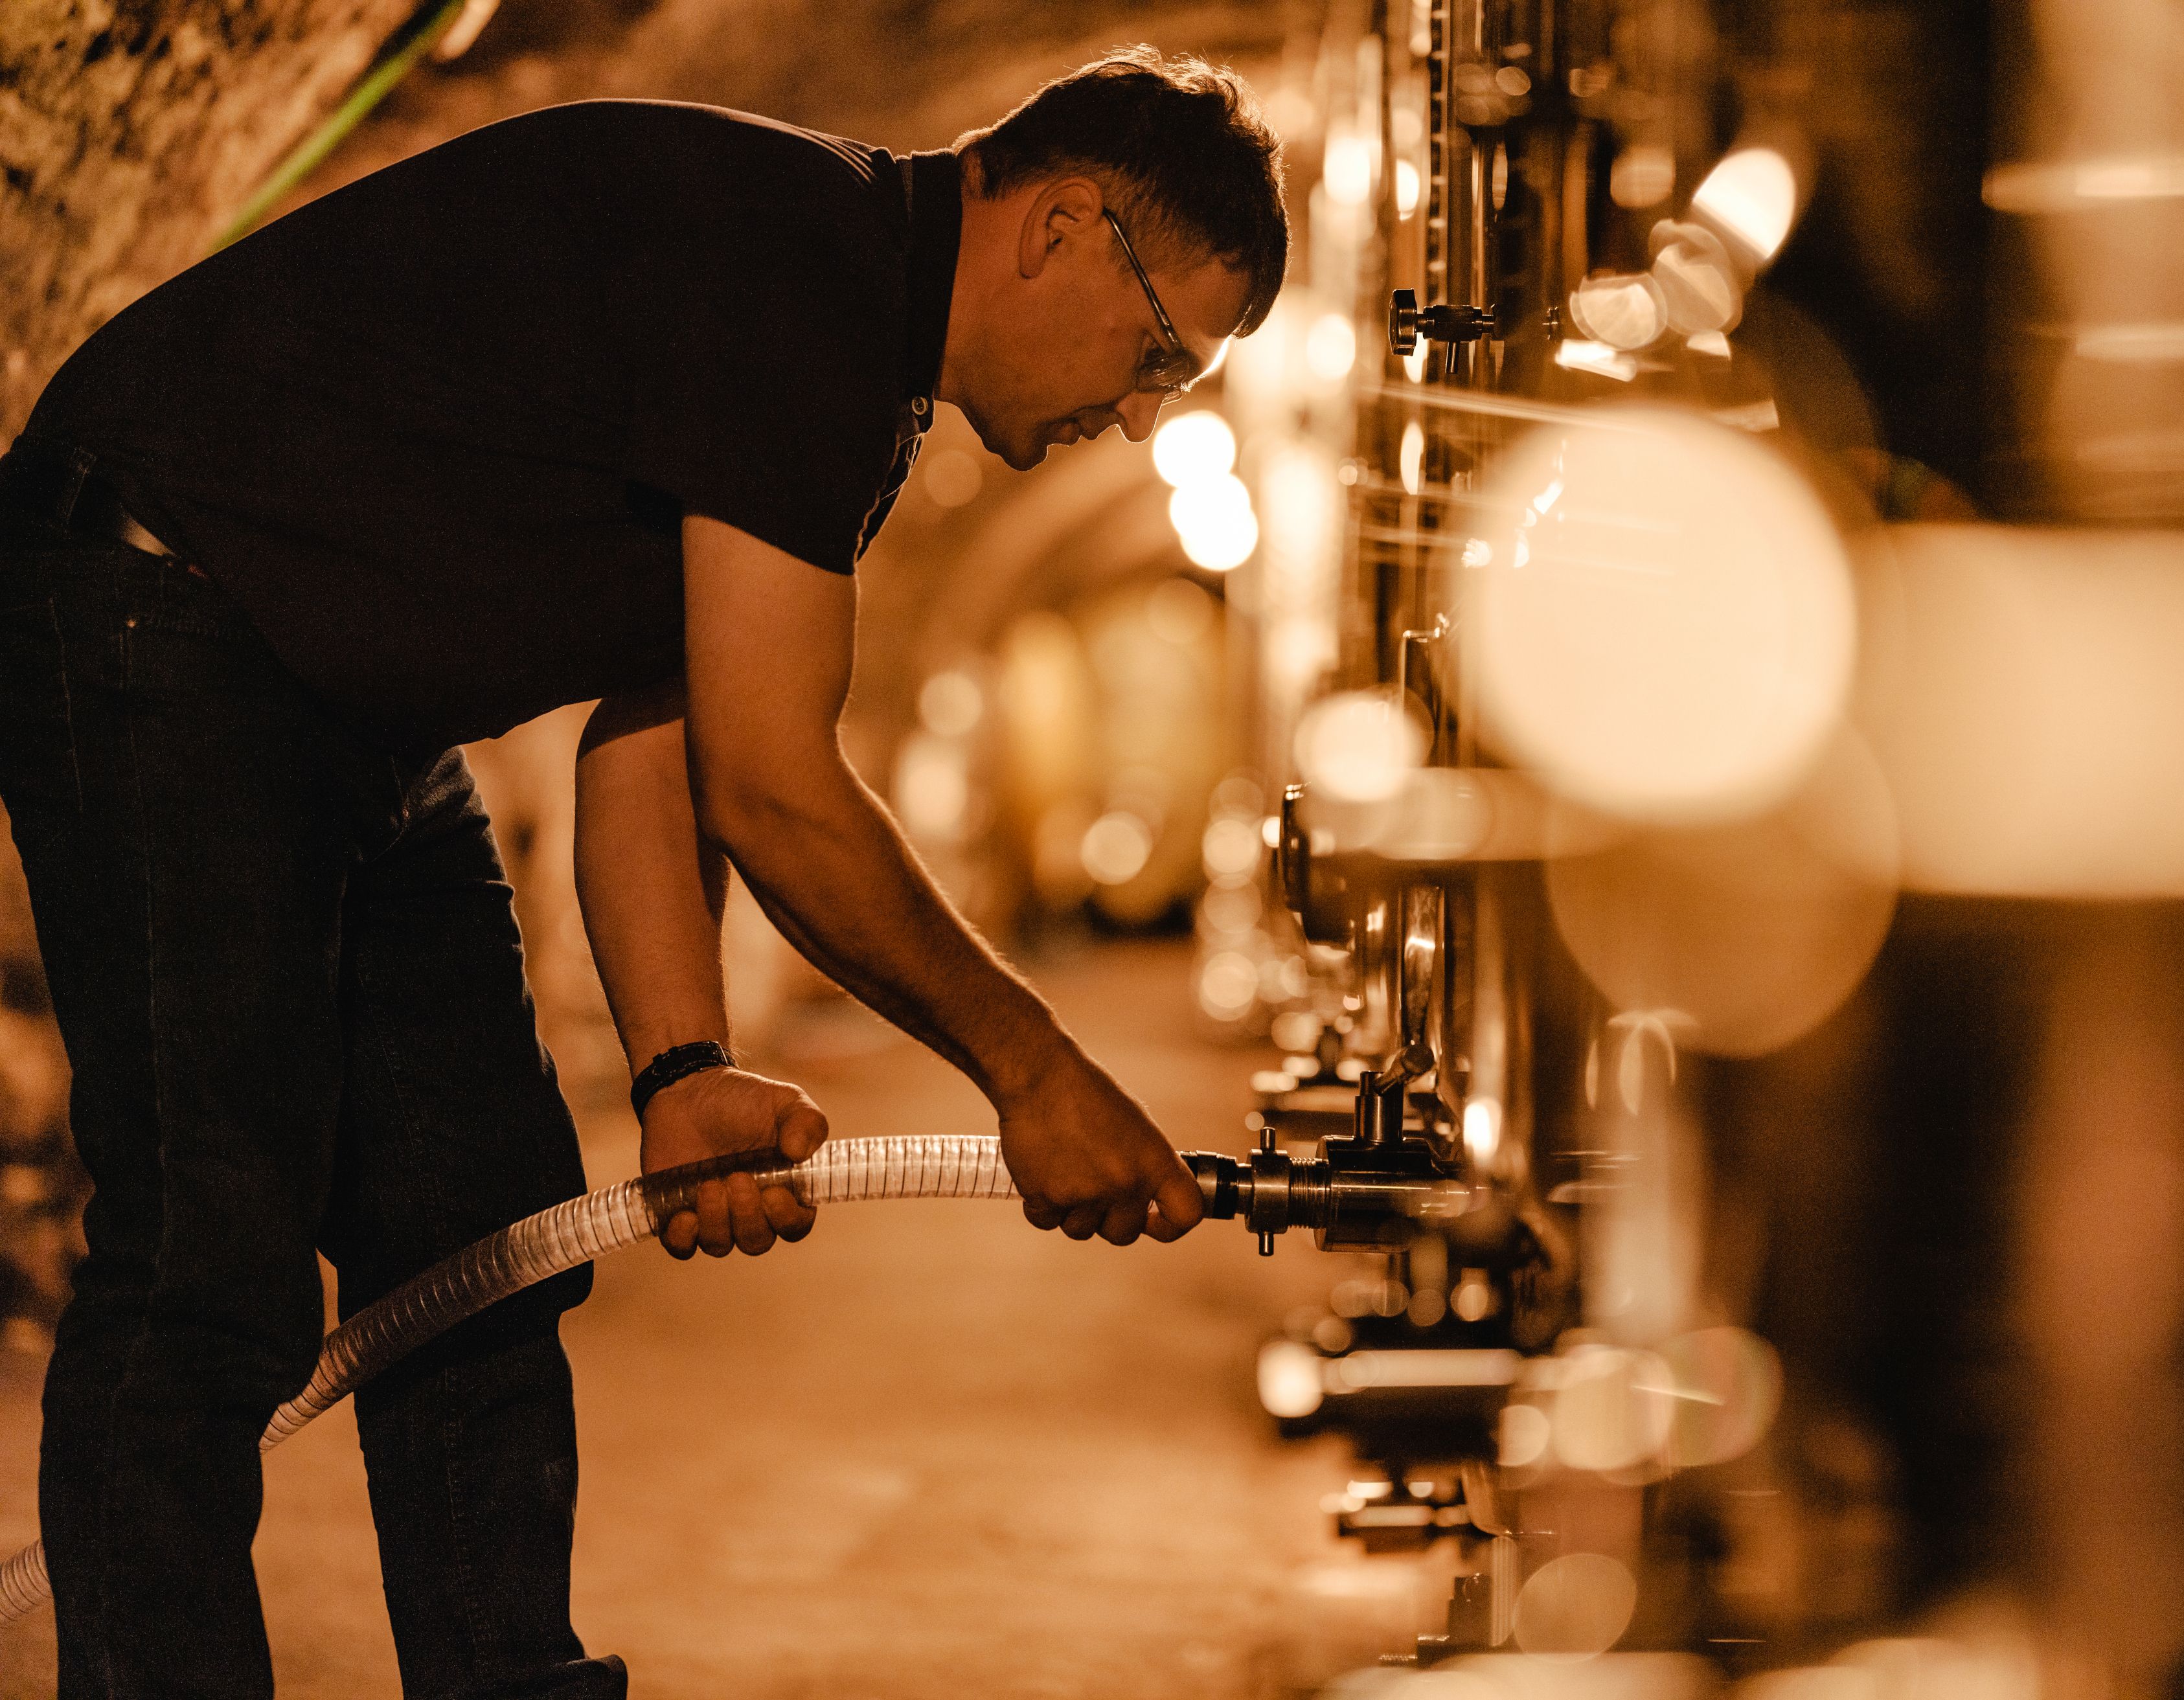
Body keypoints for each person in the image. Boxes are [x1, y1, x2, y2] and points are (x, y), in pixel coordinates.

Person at [0, 45, 1288, 1699]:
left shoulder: (858, 365)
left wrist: (682, 1065)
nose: (1134, 411)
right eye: (1158, 354)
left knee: (484, 1227)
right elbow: (776, 786)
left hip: (348, 702)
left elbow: (670, 736)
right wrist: (1032, 1070)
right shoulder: (803, 269)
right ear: (1060, 230)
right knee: (206, 1254)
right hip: (156, 600)